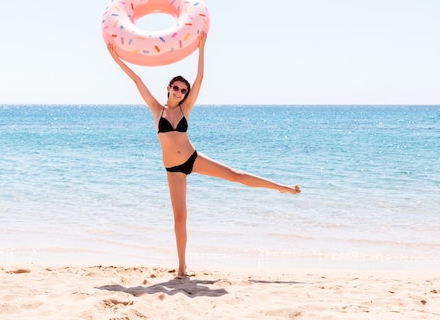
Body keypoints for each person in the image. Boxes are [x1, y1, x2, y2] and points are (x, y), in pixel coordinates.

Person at [107, 32, 301, 277]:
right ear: (168, 88)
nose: (178, 92)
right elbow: (137, 81)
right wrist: (117, 60)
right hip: (173, 170)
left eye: (183, 90)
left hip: (193, 159)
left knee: (237, 175)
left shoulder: (186, 108)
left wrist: (202, 48)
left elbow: (200, 77)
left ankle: (281, 187)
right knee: (180, 218)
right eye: (175, 87)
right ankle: (181, 267)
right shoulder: (157, 110)